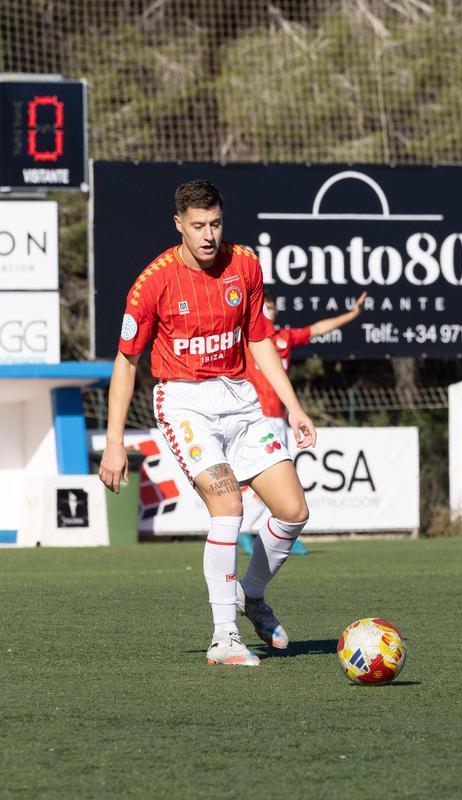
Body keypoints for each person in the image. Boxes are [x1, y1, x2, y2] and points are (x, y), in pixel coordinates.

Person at [98, 180, 317, 667]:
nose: (209, 235)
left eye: (215, 223)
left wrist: (294, 406)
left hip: (238, 400)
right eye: (198, 226)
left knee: (294, 511)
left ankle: (251, 595)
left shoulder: (246, 266)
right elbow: (126, 362)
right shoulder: (152, 282)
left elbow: (260, 340)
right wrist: (115, 443)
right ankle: (224, 638)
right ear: (179, 224)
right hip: (183, 404)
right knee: (228, 503)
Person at [239, 289, 367, 543]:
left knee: (280, 483)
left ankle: (277, 533)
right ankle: (249, 531)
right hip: (256, 416)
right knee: (275, 481)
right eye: (262, 308)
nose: (267, 312)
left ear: (276, 312)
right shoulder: (245, 338)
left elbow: (317, 329)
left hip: (279, 418)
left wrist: (352, 314)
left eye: (271, 308)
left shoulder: (284, 338)